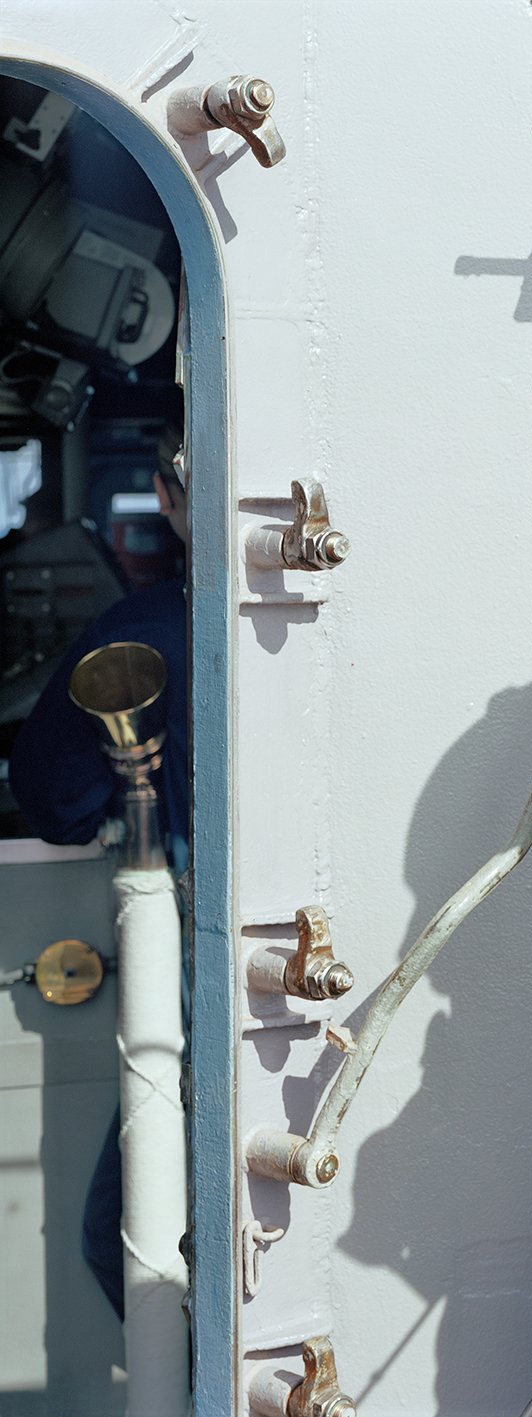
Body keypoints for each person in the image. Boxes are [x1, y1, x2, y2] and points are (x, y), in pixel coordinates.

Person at [8, 419, 190, 1321]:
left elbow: (54, 804)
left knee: (122, 1239)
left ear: (168, 498)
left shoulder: (136, 632)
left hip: (194, 990)